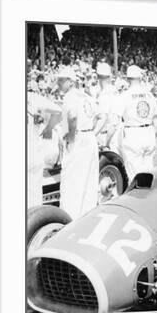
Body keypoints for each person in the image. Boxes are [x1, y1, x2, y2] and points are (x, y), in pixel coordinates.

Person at [58, 67, 100, 219]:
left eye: (61, 81)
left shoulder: (70, 96)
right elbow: (99, 116)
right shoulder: (86, 95)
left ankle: (69, 218)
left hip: (77, 137)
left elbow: (73, 116)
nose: (58, 84)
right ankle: (87, 217)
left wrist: (70, 136)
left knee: (71, 181)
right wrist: (91, 132)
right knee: (89, 180)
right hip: (89, 136)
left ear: (70, 82)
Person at [107, 65, 157, 181]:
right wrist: (154, 136)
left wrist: (107, 141)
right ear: (140, 78)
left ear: (128, 79)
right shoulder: (150, 95)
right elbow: (156, 122)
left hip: (133, 133)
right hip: (149, 131)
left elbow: (114, 123)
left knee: (135, 175)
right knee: (149, 172)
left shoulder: (124, 96)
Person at [94, 62, 121, 154]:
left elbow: (104, 118)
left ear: (97, 76)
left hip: (108, 136)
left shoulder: (105, 94)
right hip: (115, 133)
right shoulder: (114, 91)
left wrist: (93, 135)